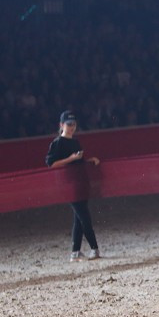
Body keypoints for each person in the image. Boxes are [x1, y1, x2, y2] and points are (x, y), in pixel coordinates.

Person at [46, 110, 101, 262]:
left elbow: (78, 162)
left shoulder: (75, 142)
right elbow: (51, 163)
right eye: (69, 124)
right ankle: (94, 248)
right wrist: (70, 158)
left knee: (79, 218)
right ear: (61, 125)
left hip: (79, 183)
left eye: (73, 124)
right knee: (84, 217)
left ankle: (75, 252)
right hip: (69, 185)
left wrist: (89, 160)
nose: (71, 127)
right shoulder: (57, 143)